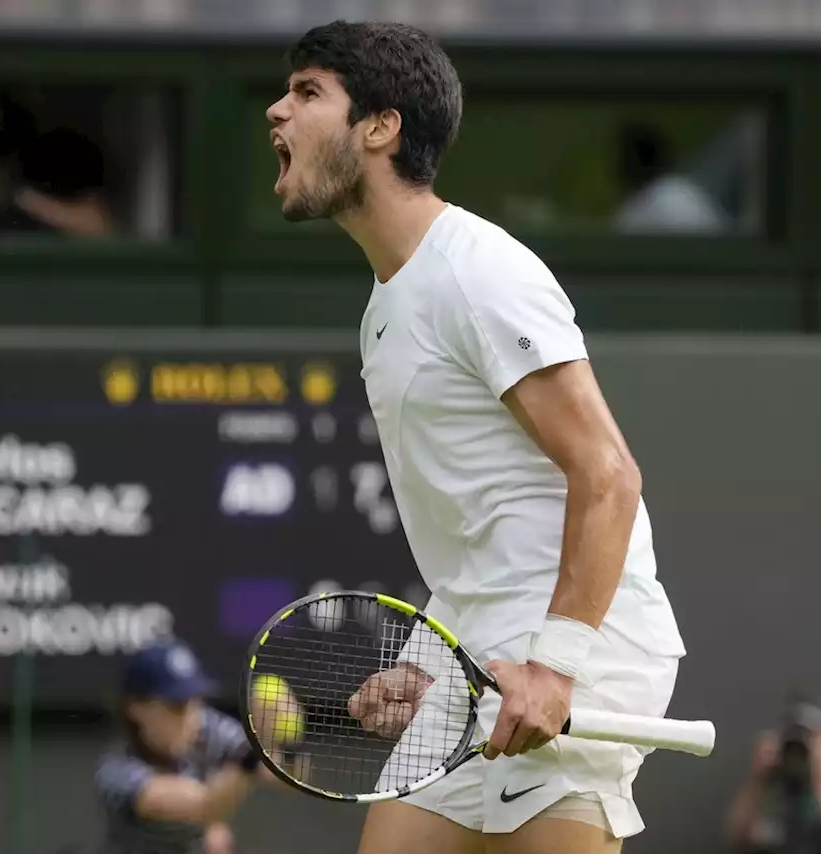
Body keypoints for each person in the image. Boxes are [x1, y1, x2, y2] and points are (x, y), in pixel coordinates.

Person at [264, 20, 687, 854]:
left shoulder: (479, 271)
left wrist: (557, 666)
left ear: (380, 127)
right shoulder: (387, 307)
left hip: (583, 645)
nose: (277, 111)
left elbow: (608, 474)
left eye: (308, 92)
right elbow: (473, 534)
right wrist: (425, 663)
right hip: (479, 651)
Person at [93, 637, 278, 854]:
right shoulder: (116, 773)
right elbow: (202, 808)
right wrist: (253, 750)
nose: (192, 718)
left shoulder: (204, 725)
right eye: (176, 706)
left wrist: (289, 742)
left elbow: (275, 771)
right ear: (136, 708)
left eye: (195, 701)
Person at [723, 693, 821, 854]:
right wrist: (757, 781)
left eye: (813, 735)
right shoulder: (781, 781)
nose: (805, 744)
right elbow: (738, 839)